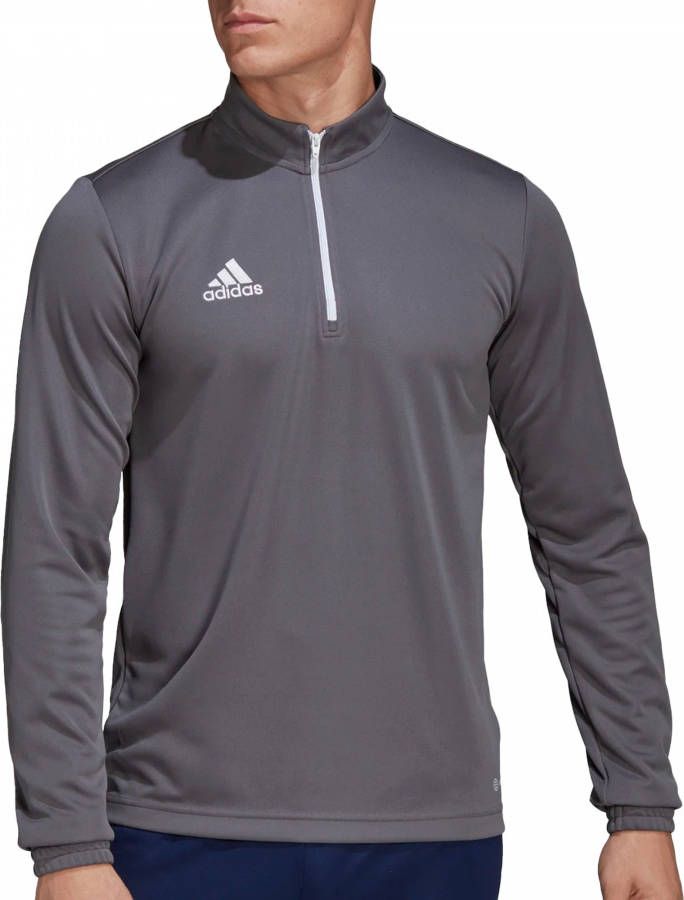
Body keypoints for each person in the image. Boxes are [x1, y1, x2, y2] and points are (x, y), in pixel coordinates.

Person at [2, 1, 681, 898]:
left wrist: (639, 803)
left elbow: (586, 529)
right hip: (174, 830)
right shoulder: (113, 221)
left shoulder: (502, 220)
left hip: (434, 836)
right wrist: (66, 842)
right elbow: (53, 548)